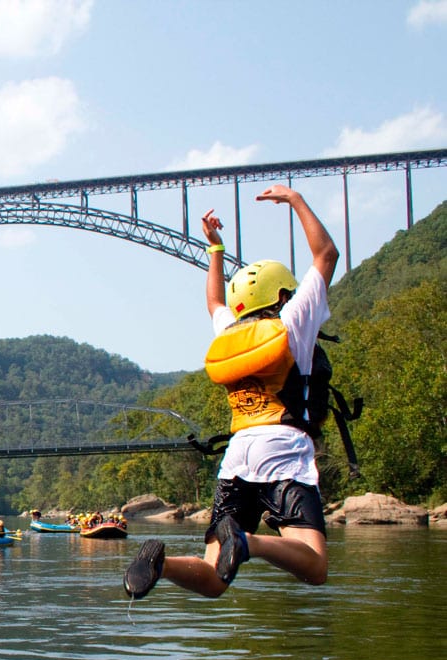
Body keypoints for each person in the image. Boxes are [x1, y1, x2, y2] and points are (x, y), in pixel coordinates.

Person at [123, 185, 339, 600]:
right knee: (315, 566)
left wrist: (215, 249)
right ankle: (247, 543)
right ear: (281, 295)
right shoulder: (293, 322)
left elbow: (212, 301)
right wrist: (295, 200)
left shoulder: (230, 331)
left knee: (214, 575)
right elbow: (326, 255)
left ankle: (160, 563)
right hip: (284, 450)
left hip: (237, 457)